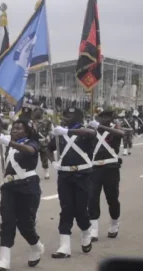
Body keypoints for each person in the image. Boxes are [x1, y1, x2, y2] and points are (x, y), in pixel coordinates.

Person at [0, 116, 45, 271]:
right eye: (13, 128)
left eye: (19, 128)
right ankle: (4, 259)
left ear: (27, 132)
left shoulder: (31, 143)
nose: (14, 130)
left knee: (25, 224)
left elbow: (30, 151)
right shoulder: (10, 145)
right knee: (7, 222)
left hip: (27, 186)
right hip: (9, 187)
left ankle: (36, 246)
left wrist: (9, 143)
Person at [51, 106, 98, 258]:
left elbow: (90, 133)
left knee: (80, 210)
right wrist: (53, 162)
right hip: (64, 175)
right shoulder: (60, 133)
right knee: (66, 208)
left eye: (69, 115)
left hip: (83, 175)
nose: (65, 118)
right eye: (64, 115)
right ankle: (64, 246)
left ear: (79, 117)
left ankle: (86, 232)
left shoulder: (86, 131)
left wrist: (67, 131)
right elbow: (47, 148)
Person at [88, 108, 125, 241]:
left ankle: (114, 223)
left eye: (108, 117)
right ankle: (94, 228)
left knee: (112, 198)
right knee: (92, 198)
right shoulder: (93, 130)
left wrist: (101, 126)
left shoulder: (114, 130)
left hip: (111, 168)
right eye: (103, 117)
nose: (106, 119)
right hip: (95, 168)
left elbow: (121, 134)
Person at [33, 107, 55, 179]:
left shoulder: (47, 121)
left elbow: (50, 131)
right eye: (36, 112)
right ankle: (32, 172)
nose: (37, 113)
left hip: (44, 142)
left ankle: (46, 172)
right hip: (34, 142)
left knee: (44, 158)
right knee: (33, 158)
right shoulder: (31, 121)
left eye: (39, 112)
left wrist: (50, 139)